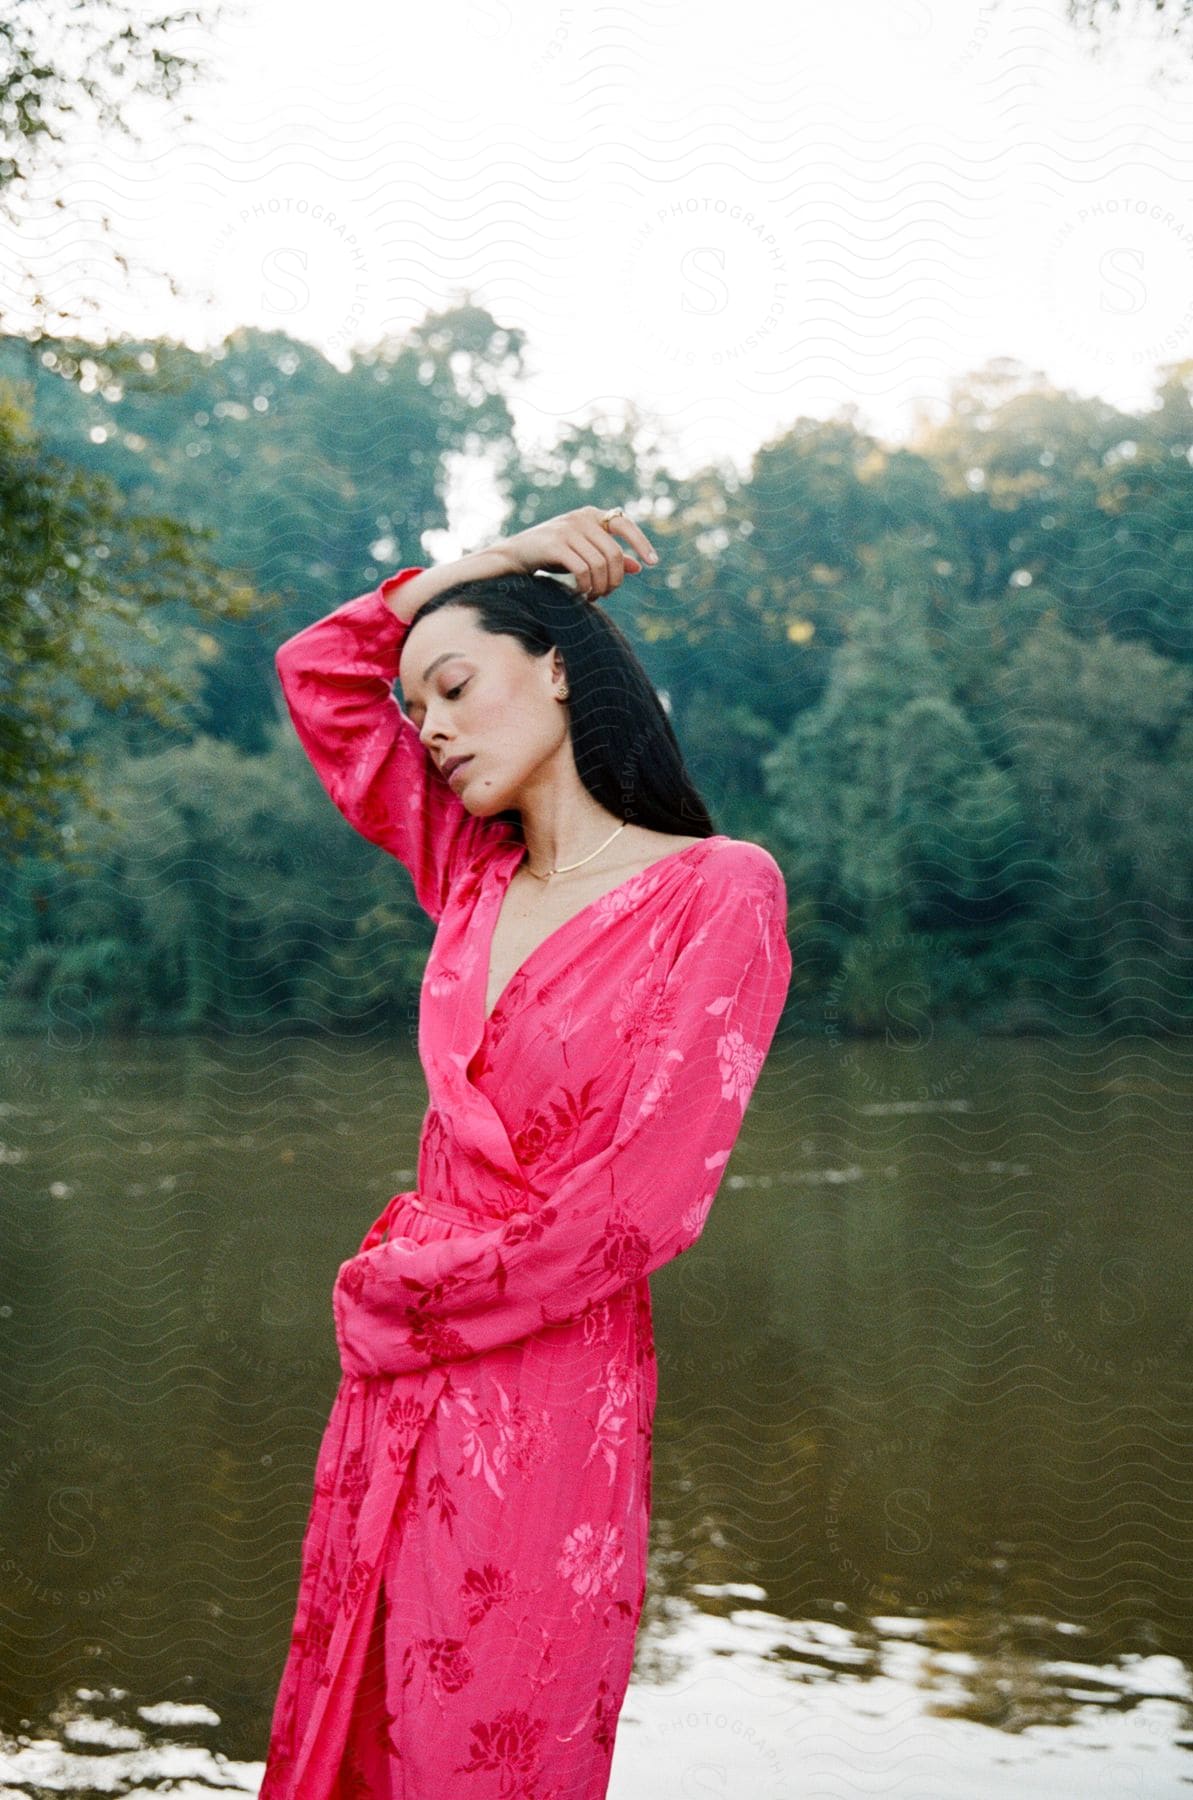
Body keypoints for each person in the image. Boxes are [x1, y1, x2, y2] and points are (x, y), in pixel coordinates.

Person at [259, 504, 792, 1800]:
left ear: (558, 663)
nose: (428, 726)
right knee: (357, 1700)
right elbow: (315, 675)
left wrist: (415, 1296)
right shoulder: (469, 871)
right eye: (420, 704)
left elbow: (645, 1200)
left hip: (542, 1377)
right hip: (395, 1379)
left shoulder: (717, 887)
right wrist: (485, 568)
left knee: (489, 1728)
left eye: (453, 685)